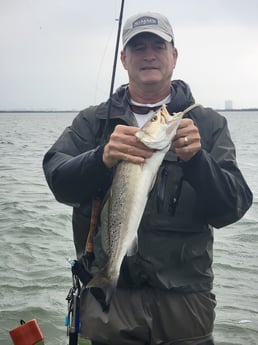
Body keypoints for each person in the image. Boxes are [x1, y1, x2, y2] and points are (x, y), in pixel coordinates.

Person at [43, 11, 253, 345]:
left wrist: (198, 161)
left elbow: (232, 208)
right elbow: (58, 179)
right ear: (124, 58)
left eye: (158, 45)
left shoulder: (208, 124)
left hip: (186, 302)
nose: (149, 54)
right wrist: (100, 158)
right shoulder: (95, 122)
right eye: (138, 47)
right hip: (112, 305)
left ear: (174, 55)